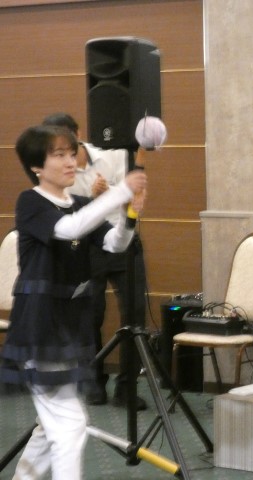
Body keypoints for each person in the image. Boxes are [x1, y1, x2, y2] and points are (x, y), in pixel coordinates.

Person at [0, 124, 147, 479]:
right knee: (69, 425)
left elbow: (115, 244)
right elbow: (69, 229)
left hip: (68, 324)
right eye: (58, 155)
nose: (70, 162)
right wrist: (120, 191)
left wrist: (129, 214)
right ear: (37, 166)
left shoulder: (80, 204)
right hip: (40, 325)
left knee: (51, 423)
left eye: (71, 154)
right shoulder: (31, 202)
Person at [42, 113, 147, 410]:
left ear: (77, 135)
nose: (62, 152)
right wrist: (92, 197)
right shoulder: (56, 175)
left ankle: (127, 388)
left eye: (66, 142)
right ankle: (94, 383)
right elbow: (65, 217)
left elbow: (134, 195)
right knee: (89, 317)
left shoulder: (113, 155)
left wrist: (109, 193)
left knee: (134, 318)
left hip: (123, 243)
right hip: (87, 248)